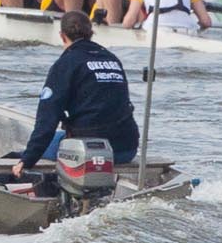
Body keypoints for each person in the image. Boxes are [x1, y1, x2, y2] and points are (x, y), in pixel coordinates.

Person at [12, 10, 140, 176]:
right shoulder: (112, 59)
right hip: (126, 148)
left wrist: (27, 159)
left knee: (21, 154)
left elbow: (47, 118)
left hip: (89, 150)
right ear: (91, 33)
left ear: (62, 36)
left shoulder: (66, 63)